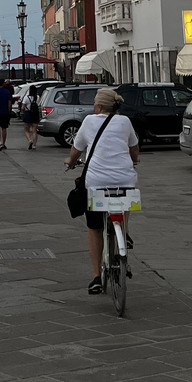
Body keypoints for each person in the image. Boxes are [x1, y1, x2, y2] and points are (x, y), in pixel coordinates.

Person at [64, 87, 139, 295]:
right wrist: (134, 161)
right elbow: (134, 148)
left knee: (95, 227)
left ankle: (96, 276)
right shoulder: (124, 121)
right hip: (124, 179)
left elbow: (76, 149)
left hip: (96, 182)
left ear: (98, 106)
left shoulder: (89, 121)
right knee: (126, 194)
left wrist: (70, 162)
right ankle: (123, 232)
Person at [20, 84, 42, 149]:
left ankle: (30, 140)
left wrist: (24, 109)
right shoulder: (37, 97)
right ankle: (34, 145)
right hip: (35, 114)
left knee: (26, 130)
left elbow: (22, 107)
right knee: (34, 130)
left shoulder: (26, 98)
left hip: (28, 114)